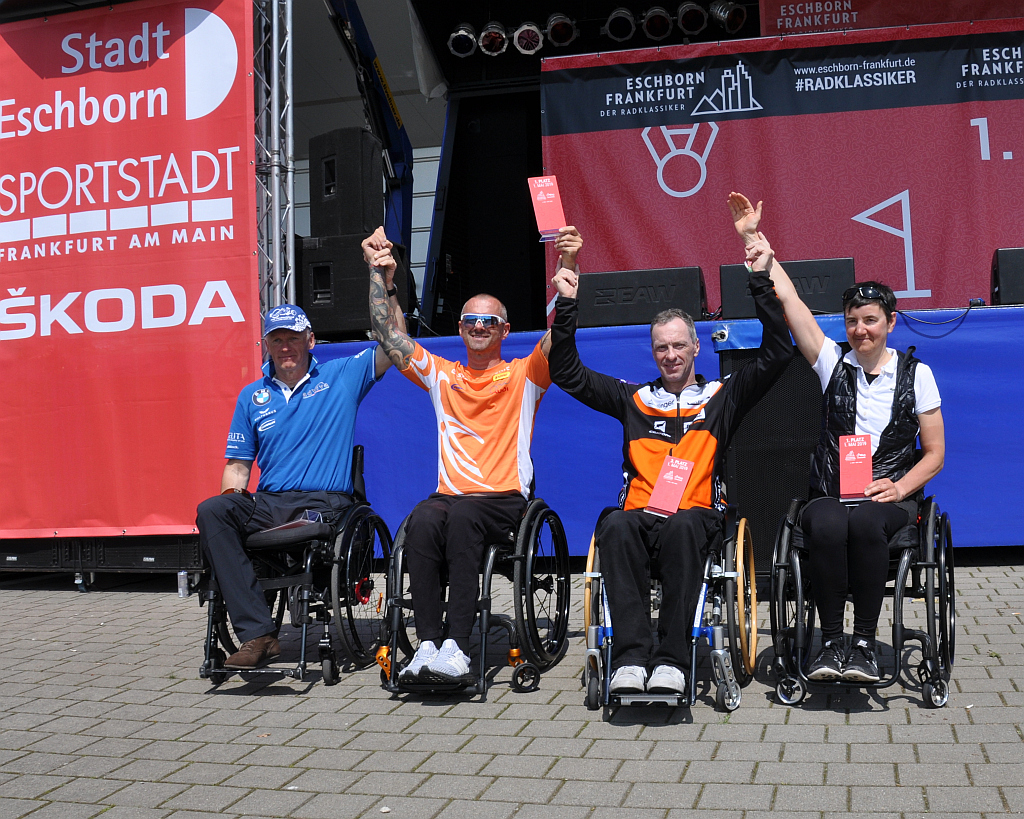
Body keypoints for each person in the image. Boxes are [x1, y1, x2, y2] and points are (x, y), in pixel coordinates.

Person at [547, 225, 792, 696]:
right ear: (653, 352)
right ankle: (630, 659)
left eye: (680, 345)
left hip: (696, 518)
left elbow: (779, 351)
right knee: (615, 525)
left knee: (682, 526)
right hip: (641, 515)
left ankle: (673, 661)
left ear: (697, 347)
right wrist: (568, 302)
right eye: (662, 347)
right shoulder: (633, 399)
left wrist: (760, 277)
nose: (671, 355)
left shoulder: (723, 395)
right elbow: (566, 371)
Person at [729, 191, 945, 683]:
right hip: (831, 491)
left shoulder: (919, 375)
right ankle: (830, 643)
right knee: (824, 523)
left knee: (867, 522)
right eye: (852, 321)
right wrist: (756, 243)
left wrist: (899, 487)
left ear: (890, 323)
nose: (860, 329)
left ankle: (864, 644)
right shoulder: (832, 363)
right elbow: (793, 304)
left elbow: (935, 453)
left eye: (870, 320)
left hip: (889, 497)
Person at [365, 225, 583, 684]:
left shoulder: (525, 375)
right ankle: (428, 644)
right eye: (471, 321)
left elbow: (559, 336)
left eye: (489, 322)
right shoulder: (442, 375)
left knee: (464, 518)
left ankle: (458, 648)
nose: (479, 327)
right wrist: (379, 274)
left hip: (503, 500)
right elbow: (388, 335)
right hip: (450, 497)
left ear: (504, 330)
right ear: (460, 328)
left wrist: (568, 267)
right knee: (423, 519)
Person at [196, 249, 405, 670]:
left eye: (293, 338)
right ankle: (258, 633)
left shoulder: (342, 375)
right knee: (213, 511)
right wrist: (233, 505)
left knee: (295, 526)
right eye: (277, 339)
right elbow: (237, 467)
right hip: (270, 503)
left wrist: (385, 283)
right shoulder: (252, 396)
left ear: (310, 340)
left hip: (323, 503)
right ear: (267, 345)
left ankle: (259, 631)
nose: (285, 347)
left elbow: (396, 342)